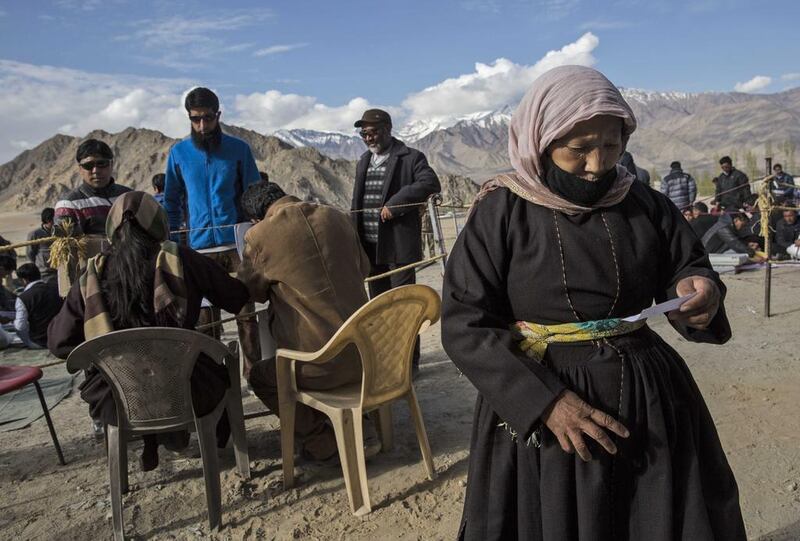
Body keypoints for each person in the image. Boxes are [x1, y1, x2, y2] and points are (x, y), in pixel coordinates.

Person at [441, 65, 745, 540]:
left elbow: (685, 267)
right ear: (540, 143)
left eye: (611, 144)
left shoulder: (645, 202)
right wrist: (545, 403)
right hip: (545, 403)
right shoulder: (502, 211)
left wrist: (698, 290)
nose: (598, 164)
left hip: (647, 396)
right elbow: (465, 322)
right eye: (578, 150)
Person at [48, 192, 250, 470]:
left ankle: (151, 436)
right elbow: (236, 297)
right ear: (159, 224)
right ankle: (200, 439)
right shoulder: (184, 260)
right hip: (190, 389)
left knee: (129, 375)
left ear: (111, 230)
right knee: (216, 367)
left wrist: (107, 353)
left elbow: (59, 343)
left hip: (117, 399)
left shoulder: (92, 275)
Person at [237, 182, 373, 461]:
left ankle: (322, 443)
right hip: (371, 357)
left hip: (319, 368)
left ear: (255, 218)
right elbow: (364, 268)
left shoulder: (259, 235)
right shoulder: (336, 216)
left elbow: (251, 291)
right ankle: (363, 424)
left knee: (261, 377)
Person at [164, 87, 261, 376]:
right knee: (206, 321)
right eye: (196, 120)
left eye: (208, 118)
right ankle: (215, 376)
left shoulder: (239, 149)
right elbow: (171, 200)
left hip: (235, 247)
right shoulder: (178, 153)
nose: (203, 126)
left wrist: (254, 233)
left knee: (246, 314)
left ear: (218, 115)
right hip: (199, 250)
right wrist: (173, 241)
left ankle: (254, 375)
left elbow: (254, 193)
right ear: (189, 119)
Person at [351, 108, 441, 373]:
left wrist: (396, 204)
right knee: (378, 310)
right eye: (364, 133)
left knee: (403, 308)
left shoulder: (410, 157)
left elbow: (430, 182)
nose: (369, 138)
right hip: (370, 248)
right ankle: (387, 363)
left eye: (373, 131)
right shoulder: (363, 160)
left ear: (388, 129)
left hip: (398, 249)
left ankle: (409, 364)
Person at [54, 139, 132, 236]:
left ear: (111, 165)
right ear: (80, 169)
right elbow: (64, 247)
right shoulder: (68, 205)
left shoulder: (130, 197)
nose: (95, 170)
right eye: (88, 165)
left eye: (101, 164)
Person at [13, 263, 62, 349]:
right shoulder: (57, 289)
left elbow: (20, 326)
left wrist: (27, 342)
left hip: (40, 342)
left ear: (24, 280)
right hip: (61, 337)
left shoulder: (23, 298)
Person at [26, 208, 57, 282]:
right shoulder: (35, 234)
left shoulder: (59, 232)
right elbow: (30, 253)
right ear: (48, 220)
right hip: (44, 273)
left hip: (58, 271)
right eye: (54, 220)